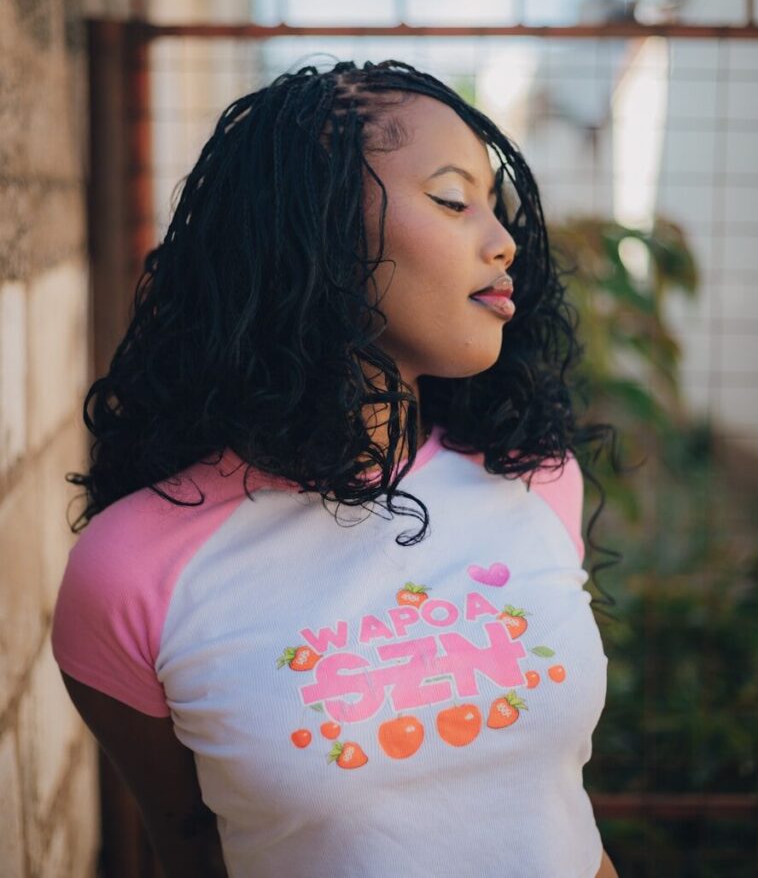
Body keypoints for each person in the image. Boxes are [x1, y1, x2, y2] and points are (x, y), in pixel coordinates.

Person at [52, 59, 621, 877]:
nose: (503, 243)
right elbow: (188, 845)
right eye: (454, 200)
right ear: (314, 230)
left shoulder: (533, 479)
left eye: (494, 207)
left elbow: (558, 815)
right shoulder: (132, 571)